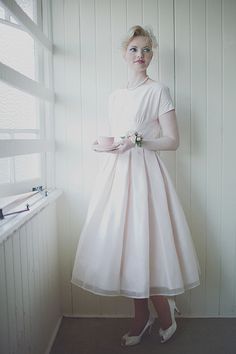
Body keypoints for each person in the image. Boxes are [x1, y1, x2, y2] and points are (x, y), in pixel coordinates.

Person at [71, 25, 201, 346]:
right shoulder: (114, 97)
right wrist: (107, 146)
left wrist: (138, 140)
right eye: (134, 49)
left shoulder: (158, 90)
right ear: (123, 53)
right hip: (117, 176)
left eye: (146, 49)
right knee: (127, 247)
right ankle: (141, 318)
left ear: (152, 54)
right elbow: (119, 137)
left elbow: (172, 142)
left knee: (149, 245)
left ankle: (165, 311)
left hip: (146, 177)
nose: (140, 55)